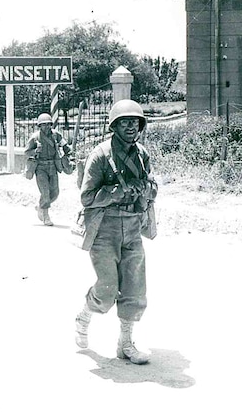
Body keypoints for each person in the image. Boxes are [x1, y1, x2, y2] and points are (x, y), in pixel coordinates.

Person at [74, 99, 158, 365]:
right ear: (114, 126)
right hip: (105, 229)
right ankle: (85, 315)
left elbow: (152, 184)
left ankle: (126, 343)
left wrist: (147, 189)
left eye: (135, 122)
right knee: (107, 288)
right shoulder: (100, 155)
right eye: (125, 122)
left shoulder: (142, 154)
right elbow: (87, 197)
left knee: (135, 287)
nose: (131, 127)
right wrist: (116, 192)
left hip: (133, 225)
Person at [24, 113, 72, 226]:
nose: (46, 127)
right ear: (39, 126)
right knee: (45, 193)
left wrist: (69, 154)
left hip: (53, 166)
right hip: (40, 167)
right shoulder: (35, 138)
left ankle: (41, 206)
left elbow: (65, 146)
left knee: (55, 193)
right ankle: (46, 216)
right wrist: (36, 151)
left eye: (48, 124)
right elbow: (26, 152)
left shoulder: (56, 135)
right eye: (43, 125)